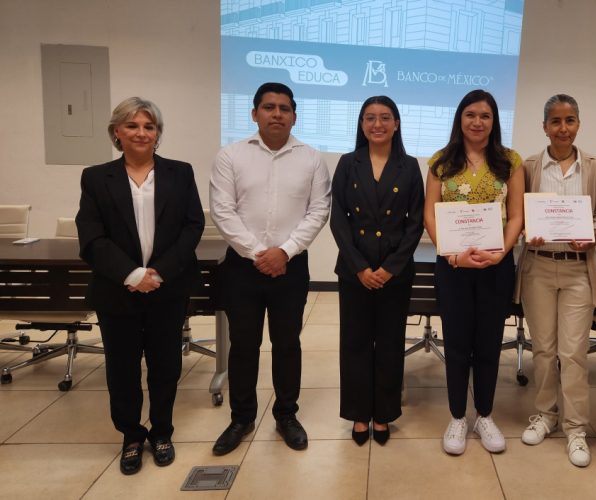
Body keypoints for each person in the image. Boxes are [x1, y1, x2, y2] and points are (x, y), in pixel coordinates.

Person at [76, 97, 204, 475]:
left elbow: (192, 227)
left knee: (166, 364)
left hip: (168, 287)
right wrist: (132, 275)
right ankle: (132, 435)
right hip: (118, 290)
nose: (141, 133)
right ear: (117, 132)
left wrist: (158, 273)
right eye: (132, 126)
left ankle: (162, 431)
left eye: (149, 126)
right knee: (122, 368)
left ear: (158, 134)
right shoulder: (97, 177)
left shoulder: (180, 173)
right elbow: (92, 237)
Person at [209, 82, 331, 455]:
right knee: (244, 344)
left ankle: (286, 415)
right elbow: (222, 211)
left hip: (290, 267)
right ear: (254, 113)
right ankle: (242, 417)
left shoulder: (311, 158)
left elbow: (319, 210)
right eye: (268, 107)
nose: (276, 114)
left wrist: (286, 251)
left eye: (284, 108)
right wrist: (261, 253)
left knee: (287, 343)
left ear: (294, 115)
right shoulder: (230, 156)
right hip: (243, 268)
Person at [423, 89, 524, 455]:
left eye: (485, 115)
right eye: (470, 115)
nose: (477, 122)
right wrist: (450, 254)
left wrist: (500, 254)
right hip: (453, 266)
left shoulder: (509, 161)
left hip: (496, 267)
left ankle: (484, 414)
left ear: (494, 121)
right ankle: (456, 416)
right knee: (457, 341)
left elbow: (516, 216)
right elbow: (429, 213)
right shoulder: (441, 161)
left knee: (488, 342)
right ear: (459, 119)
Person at [515, 94, 596, 467]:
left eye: (570, 120)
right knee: (543, 350)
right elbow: (517, 213)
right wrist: (526, 231)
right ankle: (545, 415)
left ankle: (575, 428)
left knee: (573, 353)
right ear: (544, 126)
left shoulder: (593, 166)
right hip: (539, 265)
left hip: (577, 270)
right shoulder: (528, 166)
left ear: (578, 124)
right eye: (555, 121)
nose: (563, 128)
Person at [330, 96, 424, 446]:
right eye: (369, 118)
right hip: (354, 272)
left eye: (385, 118)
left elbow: (415, 224)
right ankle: (358, 413)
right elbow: (338, 219)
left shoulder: (410, 166)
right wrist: (360, 268)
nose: (377, 124)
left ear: (396, 124)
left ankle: (383, 414)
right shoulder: (347, 163)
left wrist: (389, 268)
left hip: (395, 273)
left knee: (389, 343)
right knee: (354, 343)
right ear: (361, 124)